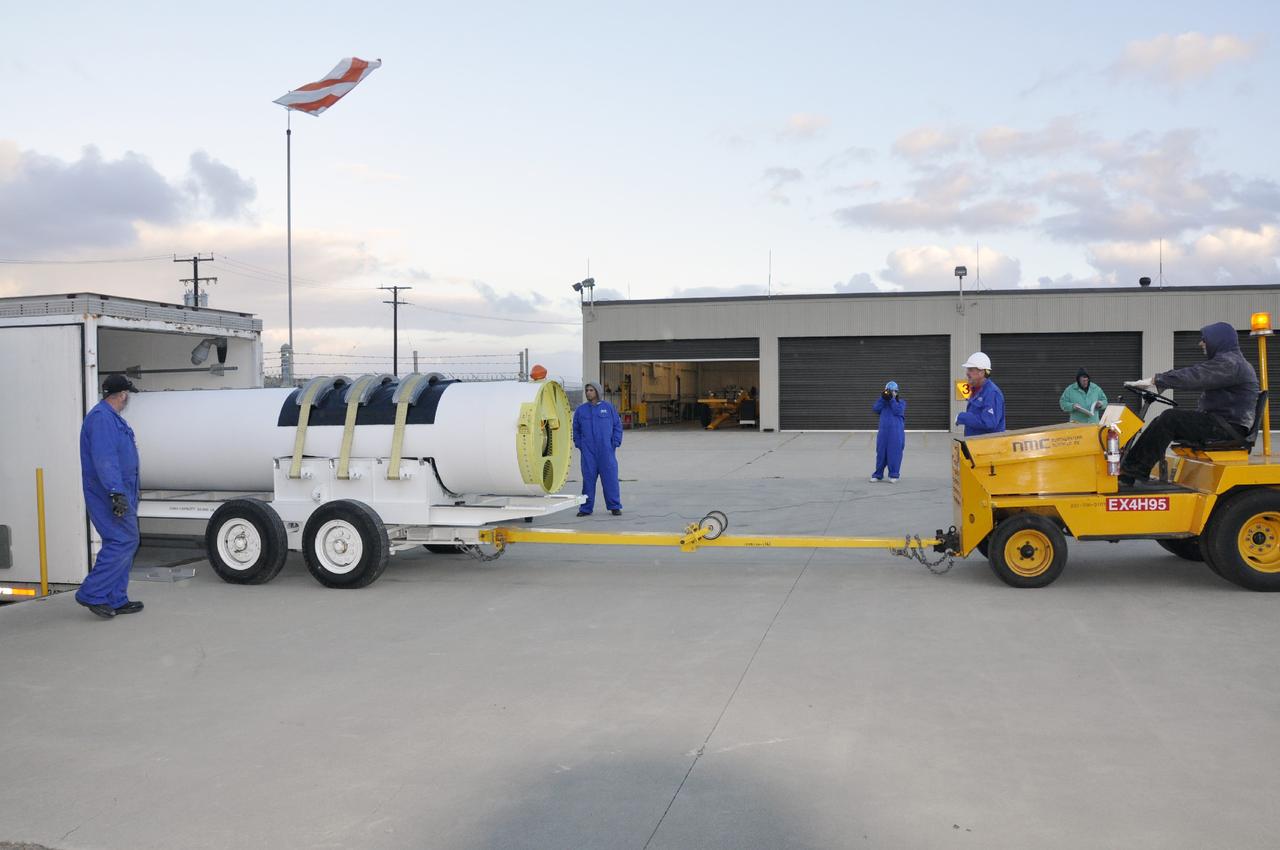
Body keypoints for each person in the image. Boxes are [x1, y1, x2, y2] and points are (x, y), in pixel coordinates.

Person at [1120, 322, 1260, 488]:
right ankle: (1131, 467)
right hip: (1222, 423)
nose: (1201, 343)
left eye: (1204, 339)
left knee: (1170, 418)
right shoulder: (1229, 361)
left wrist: (1156, 380)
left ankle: (1131, 471)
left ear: (1218, 340)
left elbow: (1195, 375)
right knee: (1164, 419)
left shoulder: (1231, 363)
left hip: (1227, 428)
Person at [75, 374, 144, 619]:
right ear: (123, 394)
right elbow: (105, 460)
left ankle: (116, 598)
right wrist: (116, 492)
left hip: (120, 490)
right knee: (123, 540)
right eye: (128, 394)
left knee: (121, 541)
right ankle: (92, 593)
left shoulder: (111, 418)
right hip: (109, 492)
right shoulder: (102, 419)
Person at [572, 382, 623, 516]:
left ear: (598, 392)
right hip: (588, 452)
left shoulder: (608, 408)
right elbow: (575, 429)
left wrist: (615, 442)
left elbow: (617, 426)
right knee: (588, 480)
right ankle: (586, 508)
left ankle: (614, 506)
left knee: (610, 479)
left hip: (606, 451)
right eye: (587, 390)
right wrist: (579, 444)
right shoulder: (581, 410)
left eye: (591, 390)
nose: (588, 393)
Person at [955, 352, 1006, 436]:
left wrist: (962, 417)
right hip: (975, 445)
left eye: (971, 370)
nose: (967, 373)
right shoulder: (976, 390)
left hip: (989, 447)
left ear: (981, 373)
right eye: (967, 369)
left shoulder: (992, 393)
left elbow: (989, 422)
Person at [870, 381, 907, 483]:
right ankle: (878, 474)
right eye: (889, 391)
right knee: (881, 453)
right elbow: (875, 408)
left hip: (896, 433)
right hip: (883, 433)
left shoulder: (901, 402)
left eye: (893, 391)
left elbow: (897, 411)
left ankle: (894, 474)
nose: (891, 393)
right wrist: (883, 398)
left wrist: (892, 400)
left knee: (894, 453)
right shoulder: (883, 403)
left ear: (897, 392)